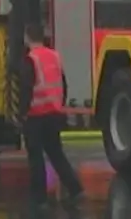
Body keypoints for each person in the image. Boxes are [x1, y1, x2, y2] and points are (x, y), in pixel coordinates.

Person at [17, 23, 83, 208]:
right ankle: (75, 188)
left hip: (36, 115)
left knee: (36, 157)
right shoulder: (54, 56)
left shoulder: (30, 60)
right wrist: (59, 105)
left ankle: (39, 198)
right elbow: (63, 84)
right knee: (56, 154)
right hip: (54, 113)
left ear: (27, 37)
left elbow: (26, 89)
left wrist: (21, 113)